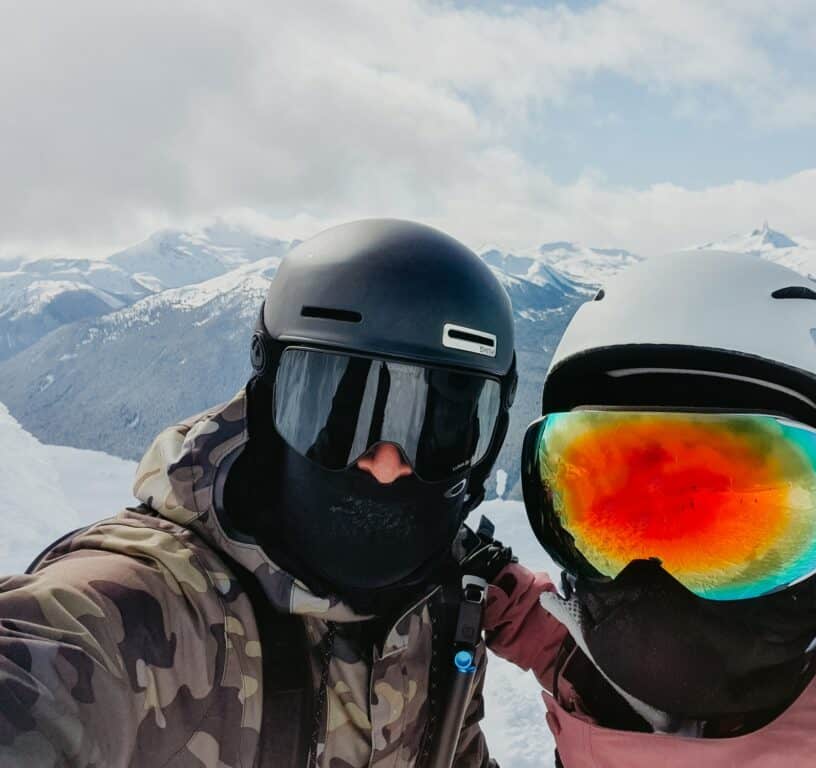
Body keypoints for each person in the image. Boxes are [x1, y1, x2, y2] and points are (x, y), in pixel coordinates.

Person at [0, 219, 520, 767]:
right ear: (267, 403)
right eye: (338, 415)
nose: (387, 466)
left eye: (440, 429)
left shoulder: (441, 612)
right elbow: (47, 669)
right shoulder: (157, 611)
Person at [484, 251, 816, 766]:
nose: (655, 571)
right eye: (618, 510)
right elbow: (598, 651)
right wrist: (507, 600)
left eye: (736, 515)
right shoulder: (618, 685)